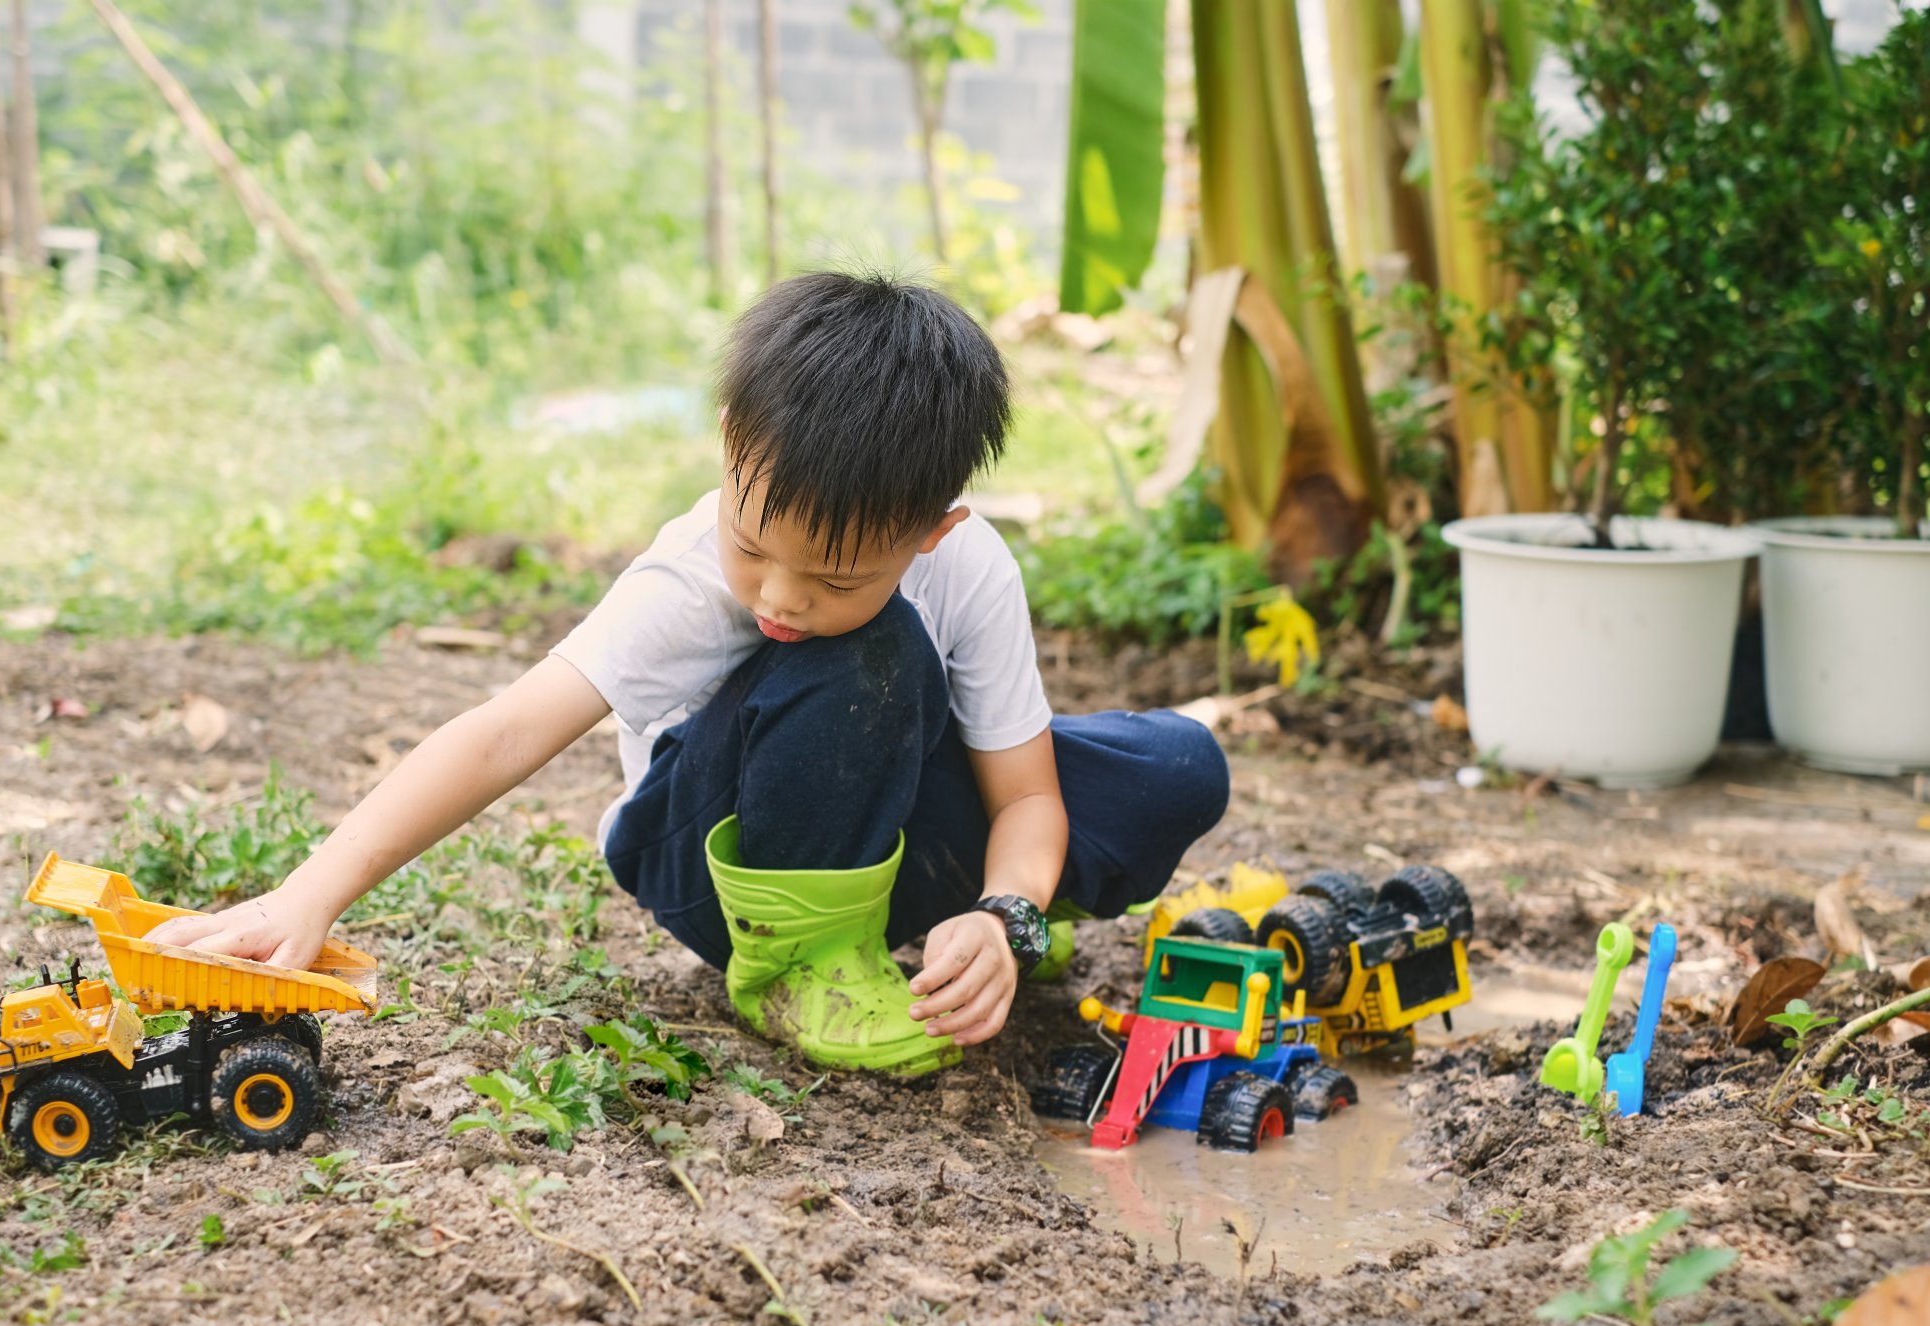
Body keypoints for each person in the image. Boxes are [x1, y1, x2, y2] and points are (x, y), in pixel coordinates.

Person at [146, 270, 1229, 1078]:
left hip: (877, 818)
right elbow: (505, 731)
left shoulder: (973, 569)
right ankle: (798, 965)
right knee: (871, 649)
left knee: (1175, 764)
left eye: (836, 573)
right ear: (727, 446)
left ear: (933, 532)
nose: (779, 599)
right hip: (707, 853)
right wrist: (307, 893)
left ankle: (950, 952)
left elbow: (1026, 794)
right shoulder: (680, 586)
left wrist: (1007, 915)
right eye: (752, 545)